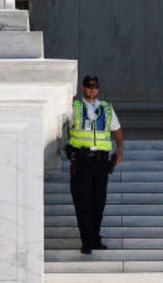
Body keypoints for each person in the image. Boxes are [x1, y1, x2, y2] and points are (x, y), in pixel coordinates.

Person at [66, 74, 123, 255]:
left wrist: (120, 149)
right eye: (89, 86)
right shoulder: (74, 107)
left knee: (98, 203)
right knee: (83, 202)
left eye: (95, 86)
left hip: (101, 162)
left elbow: (117, 129)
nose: (93, 89)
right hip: (81, 161)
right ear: (83, 87)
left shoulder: (106, 108)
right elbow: (59, 125)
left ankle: (95, 238)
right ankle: (87, 241)